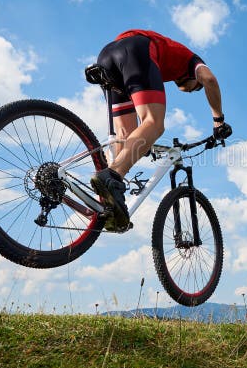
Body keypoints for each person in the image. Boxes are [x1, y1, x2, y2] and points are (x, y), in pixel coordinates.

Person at [84, 29, 232, 232]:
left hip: (107, 55)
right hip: (136, 50)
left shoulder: (166, 68)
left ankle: (107, 202)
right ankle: (112, 177)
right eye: (196, 88)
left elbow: (132, 136)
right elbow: (210, 80)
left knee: (125, 138)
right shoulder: (192, 60)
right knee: (154, 123)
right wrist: (219, 121)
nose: (192, 90)